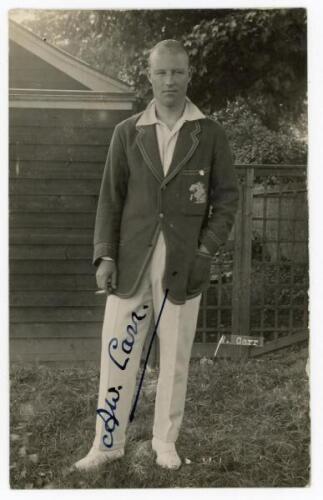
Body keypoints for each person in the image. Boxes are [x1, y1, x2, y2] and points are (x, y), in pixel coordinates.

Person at [72, 39, 239, 472]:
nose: (169, 80)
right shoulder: (127, 132)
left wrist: (205, 249)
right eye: (161, 72)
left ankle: (165, 442)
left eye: (177, 72)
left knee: (175, 358)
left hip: (183, 264)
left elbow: (226, 200)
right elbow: (110, 200)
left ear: (188, 76)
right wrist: (104, 256)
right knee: (117, 354)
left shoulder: (210, 133)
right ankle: (107, 442)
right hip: (131, 262)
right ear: (149, 75)